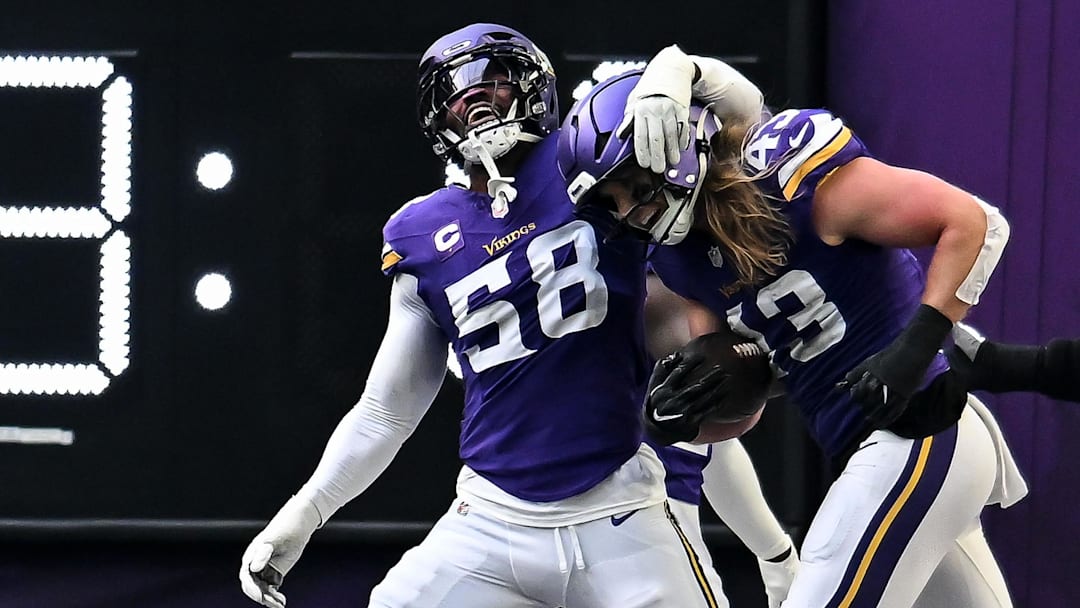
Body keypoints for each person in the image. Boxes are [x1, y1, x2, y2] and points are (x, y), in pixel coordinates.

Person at [238, 24, 795, 608]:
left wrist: (680, 73)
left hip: (621, 506)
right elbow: (386, 411)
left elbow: (747, 118)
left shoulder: (591, 158)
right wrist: (306, 510)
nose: (474, 98)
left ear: (534, 86)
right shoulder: (420, 231)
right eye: (455, 91)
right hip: (490, 516)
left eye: (493, 80)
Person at [557, 65, 1028, 607]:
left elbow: (973, 224)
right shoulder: (680, 260)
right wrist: (680, 417)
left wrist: (915, 346)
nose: (630, 213)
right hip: (871, 446)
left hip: (922, 425)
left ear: (682, 148)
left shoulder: (795, 182)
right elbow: (742, 391)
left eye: (636, 188)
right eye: (614, 202)